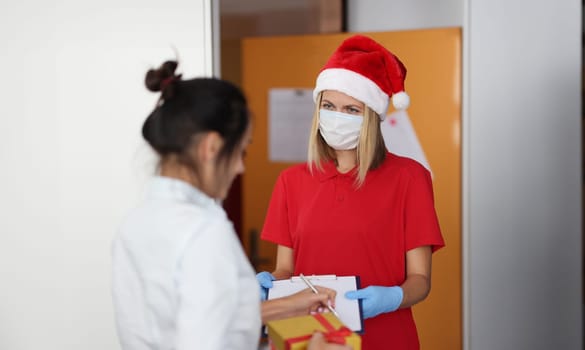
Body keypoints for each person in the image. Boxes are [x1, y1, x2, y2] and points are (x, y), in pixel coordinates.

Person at [111, 60, 347, 350]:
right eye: (241, 151)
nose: (239, 168)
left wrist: (288, 305)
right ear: (211, 147)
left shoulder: (136, 223)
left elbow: (188, 323)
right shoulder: (203, 233)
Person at [256, 35, 445, 349]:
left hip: (385, 337)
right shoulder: (291, 181)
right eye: (329, 106)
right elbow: (287, 268)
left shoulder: (410, 177)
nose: (337, 117)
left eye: (351, 109)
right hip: (309, 337)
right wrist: (270, 283)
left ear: (371, 116)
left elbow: (420, 281)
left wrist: (393, 297)